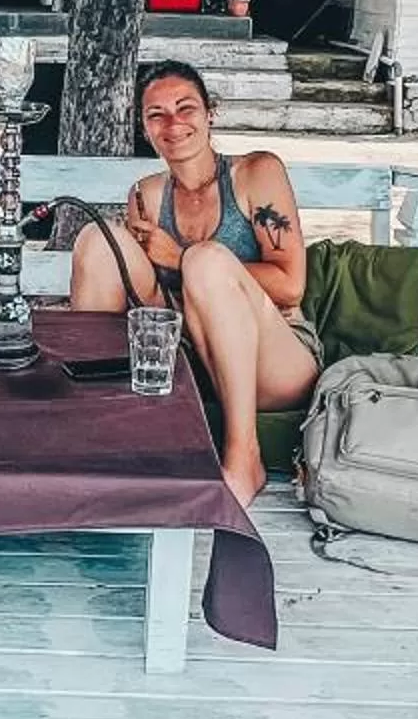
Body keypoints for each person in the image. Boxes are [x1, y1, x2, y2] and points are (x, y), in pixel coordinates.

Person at [66, 58, 318, 509]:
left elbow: (290, 285)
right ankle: (93, 431)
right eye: (156, 114)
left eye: (186, 108)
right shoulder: (146, 194)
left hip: (275, 360)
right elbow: (148, 294)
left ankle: (244, 459)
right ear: (145, 128)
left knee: (204, 260)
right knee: (99, 240)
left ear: (210, 113)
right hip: (192, 352)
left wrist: (181, 258)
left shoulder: (256, 173)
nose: (173, 124)